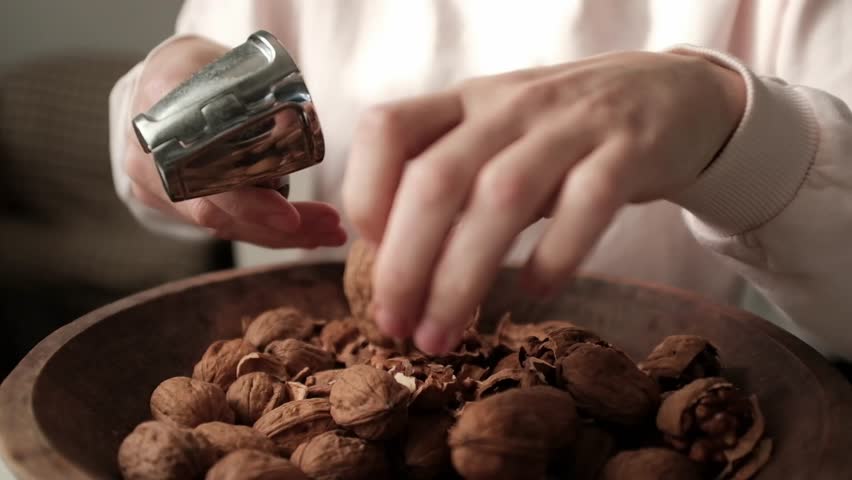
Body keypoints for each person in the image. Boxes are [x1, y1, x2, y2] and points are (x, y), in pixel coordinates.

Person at [110, 1, 852, 360]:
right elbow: (161, 162)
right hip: (303, 389)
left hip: (612, 406)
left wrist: (728, 121)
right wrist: (161, 116)